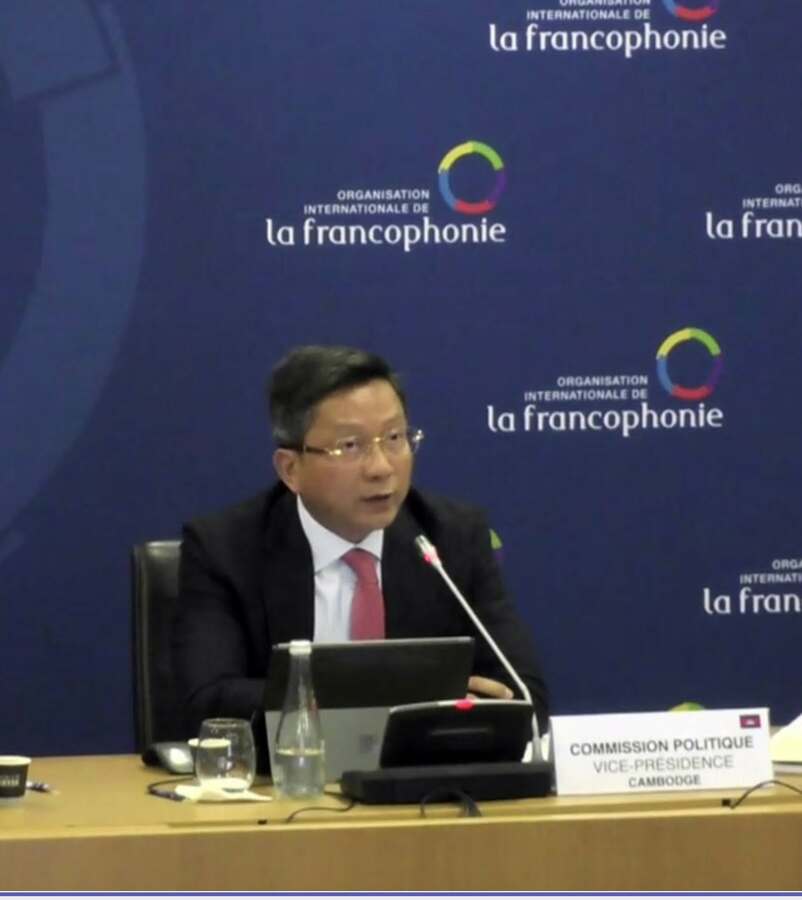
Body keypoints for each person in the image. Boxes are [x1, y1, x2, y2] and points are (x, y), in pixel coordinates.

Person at [173, 345, 549, 744]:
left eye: (394, 438)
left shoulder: (451, 538)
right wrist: (406, 700)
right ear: (291, 469)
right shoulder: (225, 550)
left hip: (416, 777)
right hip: (284, 778)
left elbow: (526, 697)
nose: (381, 468)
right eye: (350, 446)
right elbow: (210, 705)